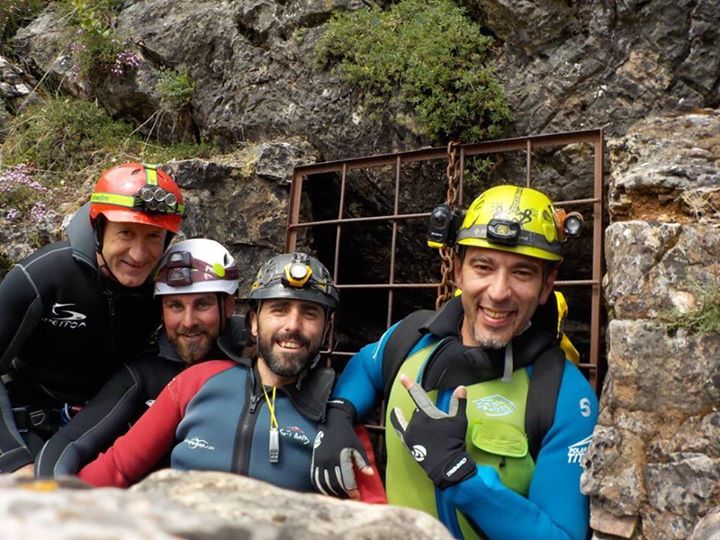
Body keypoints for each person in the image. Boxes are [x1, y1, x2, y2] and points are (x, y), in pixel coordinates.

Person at [310, 185, 598, 538]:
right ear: (458, 271)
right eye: (483, 266)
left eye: (522, 272)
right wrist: (339, 413)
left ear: (546, 285)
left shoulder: (564, 395)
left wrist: (462, 478)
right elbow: (367, 366)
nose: (498, 291)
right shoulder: (411, 336)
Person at [76, 252, 386, 503]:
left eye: (309, 313)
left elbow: (376, 520)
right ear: (253, 323)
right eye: (279, 309)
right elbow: (116, 468)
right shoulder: (197, 383)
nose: (293, 325)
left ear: (327, 331)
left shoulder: (337, 423)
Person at [0, 162, 185, 474]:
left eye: (153, 236)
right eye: (126, 233)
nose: (139, 255)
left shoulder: (161, 292)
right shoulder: (44, 276)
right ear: (98, 228)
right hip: (24, 427)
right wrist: (13, 460)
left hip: (104, 427)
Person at [34, 238, 244, 477]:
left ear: (228, 304)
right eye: (175, 306)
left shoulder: (254, 358)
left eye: (202, 304)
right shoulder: (145, 371)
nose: (188, 322)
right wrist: (48, 496)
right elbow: (70, 442)